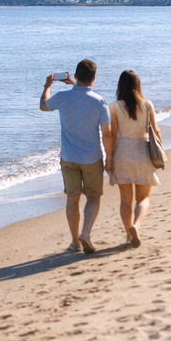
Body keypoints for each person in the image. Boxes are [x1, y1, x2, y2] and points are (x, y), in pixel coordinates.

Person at [39, 58, 114, 253]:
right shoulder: (100, 102)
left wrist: (47, 86)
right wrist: (109, 159)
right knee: (93, 197)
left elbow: (44, 105)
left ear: (75, 75)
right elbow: (106, 134)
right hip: (92, 158)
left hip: (69, 157)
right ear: (94, 78)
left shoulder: (62, 97)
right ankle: (85, 232)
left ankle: (75, 243)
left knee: (72, 199)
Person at [107, 69, 164, 248]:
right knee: (143, 199)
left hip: (122, 154)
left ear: (120, 86)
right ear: (138, 85)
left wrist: (108, 158)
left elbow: (113, 135)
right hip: (143, 153)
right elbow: (155, 132)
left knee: (125, 200)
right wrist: (161, 155)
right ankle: (136, 226)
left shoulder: (114, 107)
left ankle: (129, 233)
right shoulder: (147, 105)